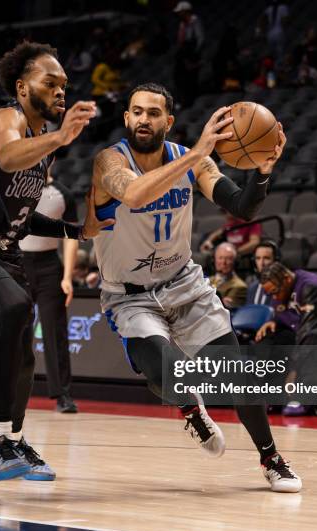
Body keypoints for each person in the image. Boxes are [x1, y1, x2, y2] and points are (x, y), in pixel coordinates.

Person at [92, 82, 301, 492]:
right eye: (136, 111)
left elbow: (241, 207)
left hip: (183, 285)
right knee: (164, 371)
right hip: (131, 297)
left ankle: (271, 458)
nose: (144, 120)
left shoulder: (192, 161)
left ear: (168, 121)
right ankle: (191, 409)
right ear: (126, 118)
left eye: (153, 113)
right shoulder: (108, 161)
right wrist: (198, 152)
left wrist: (262, 171)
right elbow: (134, 194)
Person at [0, 42, 111, 483]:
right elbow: (8, 156)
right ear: (22, 86)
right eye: (52, 82)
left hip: (3, 250)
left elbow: (23, 220)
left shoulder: (43, 147)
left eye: (65, 85)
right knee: (14, 307)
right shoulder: (4, 120)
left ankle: (15, 441)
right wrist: (63, 136)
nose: (62, 91)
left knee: (25, 353)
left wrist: (77, 231)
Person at [256, 262, 317, 416]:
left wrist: (293, 369)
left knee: (312, 340)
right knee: (271, 339)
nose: (274, 298)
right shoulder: (282, 288)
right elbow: (290, 321)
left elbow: (308, 327)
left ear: (287, 279)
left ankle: (303, 399)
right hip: (304, 333)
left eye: (275, 292)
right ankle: (272, 397)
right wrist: (274, 322)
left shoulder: (311, 286)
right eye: (270, 295)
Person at [20, 167, 79, 414]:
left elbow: (72, 236)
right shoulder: (15, 188)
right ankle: (11, 390)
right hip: (16, 262)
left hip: (48, 267)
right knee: (14, 331)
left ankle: (62, 395)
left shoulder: (63, 193)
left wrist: (67, 276)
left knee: (54, 332)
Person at [173, 2, 205, 108]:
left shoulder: (195, 22)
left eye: (180, 12)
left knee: (190, 80)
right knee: (179, 78)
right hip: (183, 55)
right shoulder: (182, 24)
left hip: (192, 54)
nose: (178, 14)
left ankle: (189, 102)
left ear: (186, 11)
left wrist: (194, 55)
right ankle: (183, 100)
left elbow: (200, 39)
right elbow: (180, 41)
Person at [209, 242, 247, 310]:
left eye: (228, 259)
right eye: (220, 258)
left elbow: (221, 308)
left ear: (235, 262)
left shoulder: (239, 286)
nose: (223, 262)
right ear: (214, 260)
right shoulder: (207, 280)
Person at [246, 239, 279, 305]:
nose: (261, 263)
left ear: (276, 261)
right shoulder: (252, 288)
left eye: (266, 258)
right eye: (258, 258)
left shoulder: (283, 288)